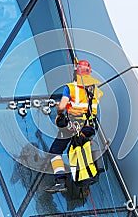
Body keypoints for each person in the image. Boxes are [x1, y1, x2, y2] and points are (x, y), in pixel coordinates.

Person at [45, 60, 103, 193]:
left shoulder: (70, 88)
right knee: (80, 151)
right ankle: (84, 181)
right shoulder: (96, 90)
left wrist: (59, 113)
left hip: (73, 125)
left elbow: (62, 106)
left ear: (76, 73)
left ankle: (60, 181)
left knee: (55, 150)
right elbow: (85, 106)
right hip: (88, 127)